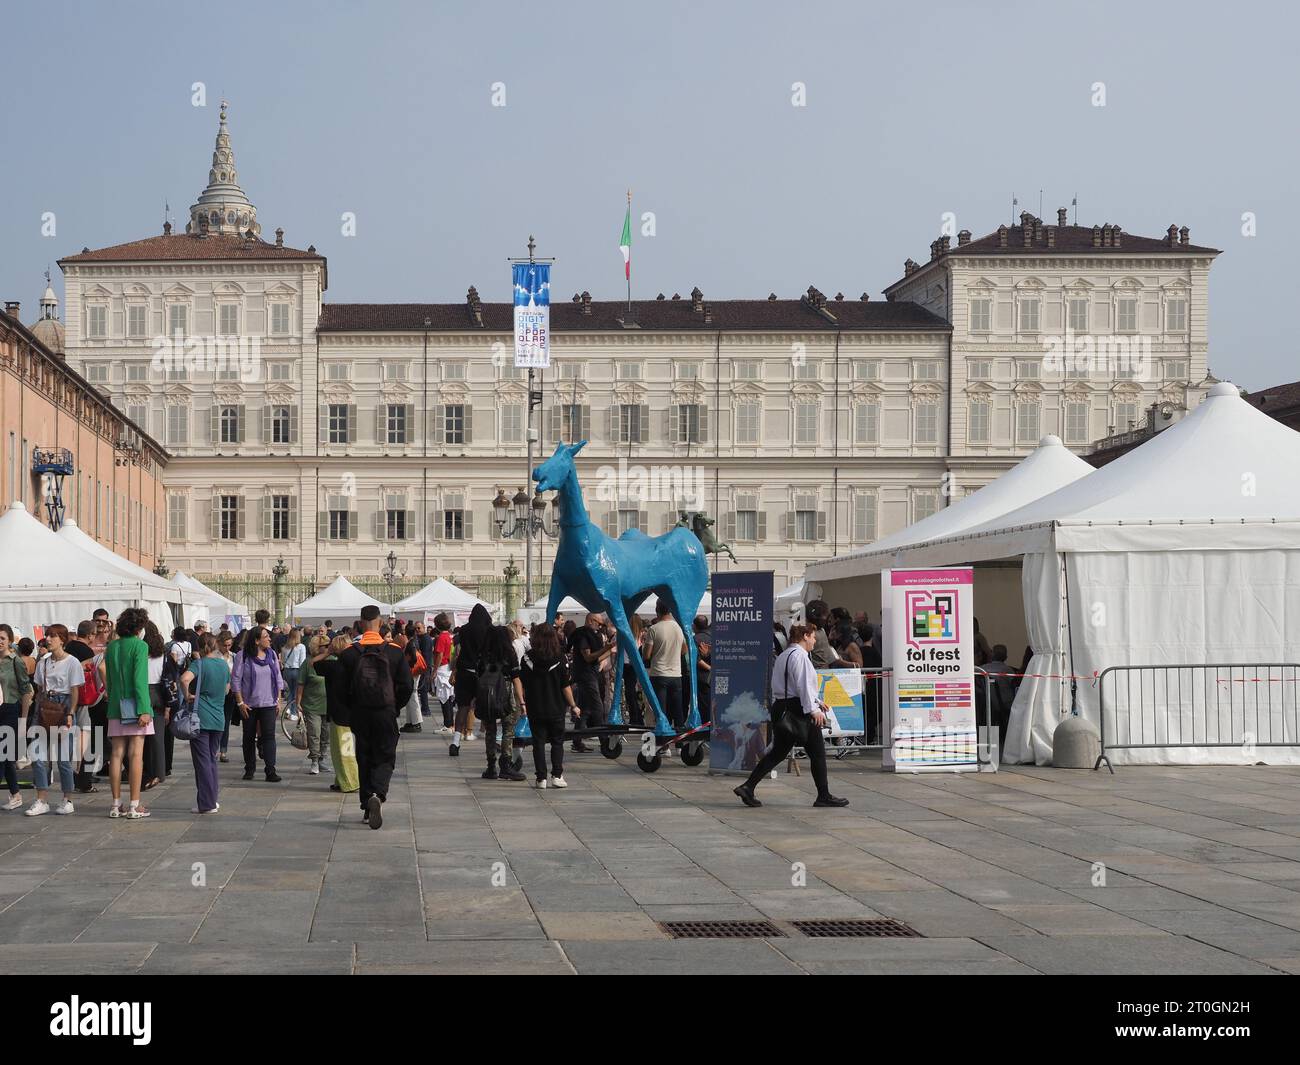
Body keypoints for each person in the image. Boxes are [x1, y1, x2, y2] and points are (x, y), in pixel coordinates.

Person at [733, 623, 848, 809]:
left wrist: (817, 701)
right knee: (817, 753)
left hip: (782, 706)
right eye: (812, 637)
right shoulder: (801, 657)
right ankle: (823, 795)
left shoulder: (784, 656)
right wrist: (813, 709)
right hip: (798, 709)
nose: (814, 641)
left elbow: (790, 686)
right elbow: (802, 686)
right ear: (804, 636)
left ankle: (748, 786)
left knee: (778, 752)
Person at [336, 604, 412, 828]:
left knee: (364, 756)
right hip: (385, 711)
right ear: (380, 624)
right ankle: (378, 793)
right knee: (385, 755)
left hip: (360, 712)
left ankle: (367, 806)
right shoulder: (394, 651)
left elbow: (339, 689)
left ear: (359, 623)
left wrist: (351, 710)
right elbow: (407, 685)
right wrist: (395, 706)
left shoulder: (349, 653)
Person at [103, 608, 154, 819]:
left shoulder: (112, 646)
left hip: (116, 704)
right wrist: (144, 708)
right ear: (139, 627)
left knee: (116, 755)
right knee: (136, 755)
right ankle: (134, 805)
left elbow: (110, 678)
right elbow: (140, 680)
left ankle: (116, 804)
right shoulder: (140, 646)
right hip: (135, 705)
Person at [26, 624, 81, 816]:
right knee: (38, 756)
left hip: (64, 706)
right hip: (44, 707)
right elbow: (40, 690)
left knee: (64, 759)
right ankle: (41, 799)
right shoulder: (43, 662)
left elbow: (75, 691)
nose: (48, 639)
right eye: (47, 636)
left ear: (62, 639)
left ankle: (67, 799)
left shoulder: (72, 662)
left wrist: (70, 713)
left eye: (53, 636)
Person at [517, 623, 579, 788]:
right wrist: (573, 705)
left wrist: (522, 702)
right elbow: (565, 686)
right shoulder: (560, 657)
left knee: (538, 742)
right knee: (557, 741)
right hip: (556, 706)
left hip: (535, 706)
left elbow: (522, 682)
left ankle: (541, 778)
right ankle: (557, 775)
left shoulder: (527, 658)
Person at [181, 633, 230, 814]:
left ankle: (206, 803)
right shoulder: (224, 665)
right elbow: (226, 689)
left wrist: (188, 696)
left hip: (200, 717)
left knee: (202, 762)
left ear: (200, 648)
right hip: (218, 717)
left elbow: (184, 679)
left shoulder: (199, 664)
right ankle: (211, 799)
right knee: (211, 760)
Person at [232, 626, 285, 782]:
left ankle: (271, 770)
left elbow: (278, 678)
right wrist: (240, 702)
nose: (269, 639)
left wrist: (278, 699)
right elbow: (235, 680)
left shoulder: (272, 655)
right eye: (266, 636)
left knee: (269, 737)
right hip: (249, 704)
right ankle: (250, 768)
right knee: (248, 736)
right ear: (256, 640)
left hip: (269, 702)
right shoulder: (243, 656)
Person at [474, 619, 524, 781]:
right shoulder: (509, 653)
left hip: (487, 694)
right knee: (508, 730)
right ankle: (506, 765)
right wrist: (522, 701)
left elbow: (479, 677)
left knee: (490, 731)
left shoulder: (482, 655)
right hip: (507, 692)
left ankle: (491, 767)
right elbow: (516, 678)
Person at [312, 635, 359, 794]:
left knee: (343, 752)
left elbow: (314, 663)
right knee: (343, 750)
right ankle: (340, 780)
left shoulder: (333, 666)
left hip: (339, 715)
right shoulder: (356, 665)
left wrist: (327, 652)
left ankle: (351, 782)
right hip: (352, 713)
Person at [449, 606, 494, 757]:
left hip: (464, 671)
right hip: (481, 673)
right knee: (487, 708)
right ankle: (491, 741)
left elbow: (460, 649)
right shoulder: (488, 629)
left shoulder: (464, 630)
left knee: (463, 706)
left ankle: (455, 742)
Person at [569, 612, 614, 753]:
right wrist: (606, 649)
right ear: (590, 621)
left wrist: (611, 650)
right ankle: (604, 740)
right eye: (598, 623)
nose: (600, 627)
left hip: (590, 674)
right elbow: (588, 658)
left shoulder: (591, 635)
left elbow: (596, 659)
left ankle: (577, 742)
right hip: (586, 675)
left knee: (585, 709)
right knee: (597, 707)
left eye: (602, 625)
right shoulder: (584, 636)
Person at [643, 599, 686, 743]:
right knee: (678, 710)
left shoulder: (654, 629)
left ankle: (664, 745)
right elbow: (684, 650)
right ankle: (680, 744)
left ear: (657, 610)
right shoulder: (679, 628)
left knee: (661, 711)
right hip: (676, 674)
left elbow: (647, 655)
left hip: (659, 674)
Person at [0, 628, 32, 810]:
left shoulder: (15, 662)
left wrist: (23, 720)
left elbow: (26, 690)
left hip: (10, 709)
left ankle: (16, 794)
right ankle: (16, 794)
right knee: (5, 758)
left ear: (10, 640)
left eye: (2, 638)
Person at [295, 633, 332, 774]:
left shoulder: (333, 660)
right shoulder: (308, 663)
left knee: (325, 734)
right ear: (317, 647)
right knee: (314, 733)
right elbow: (301, 683)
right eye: (326, 646)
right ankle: (315, 760)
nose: (329, 648)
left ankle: (323, 758)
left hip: (328, 705)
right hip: (312, 705)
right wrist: (298, 702)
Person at [141, 621, 169, 791]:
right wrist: (168, 706)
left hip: (144, 690)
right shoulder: (162, 654)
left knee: (141, 736)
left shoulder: (140, 652)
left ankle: (148, 771)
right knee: (157, 737)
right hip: (159, 692)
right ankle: (159, 772)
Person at [430, 612, 455, 732]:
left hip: (442, 668)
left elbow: (439, 655)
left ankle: (448, 724)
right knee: (449, 697)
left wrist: (434, 670)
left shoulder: (440, 638)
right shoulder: (450, 636)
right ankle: (451, 724)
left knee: (443, 697)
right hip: (450, 667)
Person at [399, 637, 426, 734]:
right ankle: (411, 722)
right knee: (411, 697)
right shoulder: (413, 642)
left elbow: (413, 658)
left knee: (413, 696)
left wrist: (409, 666)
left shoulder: (410, 643)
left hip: (412, 673)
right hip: (414, 672)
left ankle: (416, 722)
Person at [217, 630, 236, 762]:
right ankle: (214, 748)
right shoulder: (215, 656)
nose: (227, 648)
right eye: (225, 645)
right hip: (217, 692)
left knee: (226, 722)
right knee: (217, 721)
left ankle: (223, 751)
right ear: (219, 644)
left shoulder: (233, 656)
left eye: (229, 645)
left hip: (230, 694)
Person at [281, 628, 306, 720]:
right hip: (297, 670)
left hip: (287, 671)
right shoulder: (301, 647)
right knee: (296, 692)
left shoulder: (284, 648)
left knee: (290, 691)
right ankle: (293, 712)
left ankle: (288, 709)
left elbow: (283, 661)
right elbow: (302, 662)